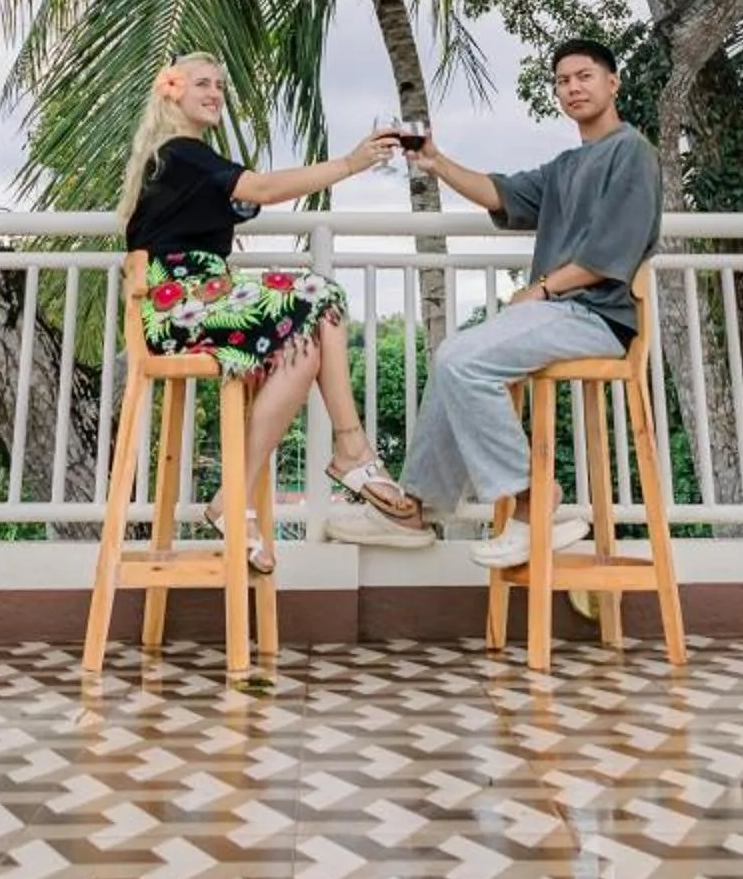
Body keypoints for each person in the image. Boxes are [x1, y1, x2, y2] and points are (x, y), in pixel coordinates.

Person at [329, 38, 662, 568]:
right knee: (454, 356)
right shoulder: (567, 166)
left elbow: (610, 255)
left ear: (612, 82)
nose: (572, 88)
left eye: (584, 76)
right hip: (555, 315)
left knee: (463, 359)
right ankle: (417, 509)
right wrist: (435, 162)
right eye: (562, 81)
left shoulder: (632, 153)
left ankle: (535, 502)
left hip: (598, 317)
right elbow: (498, 193)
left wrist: (545, 287)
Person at [119, 53, 427, 571]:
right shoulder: (183, 151)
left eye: (220, 85)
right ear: (172, 93)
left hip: (202, 297)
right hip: (181, 305)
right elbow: (260, 189)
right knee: (319, 294)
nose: (215, 93)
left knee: (303, 347)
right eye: (202, 84)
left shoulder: (186, 160)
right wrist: (351, 164)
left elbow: (243, 201)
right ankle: (351, 451)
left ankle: (231, 498)